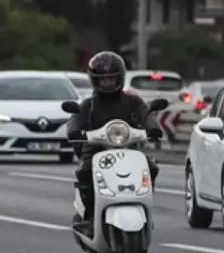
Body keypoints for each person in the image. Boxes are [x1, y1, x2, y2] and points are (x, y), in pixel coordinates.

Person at [67, 51, 161, 237]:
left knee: (151, 167)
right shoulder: (88, 104)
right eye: (103, 79)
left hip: (129, 149)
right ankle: (90, 217)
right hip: (96, 151)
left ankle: (145, 208)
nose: (107, 82)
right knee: (85, 172)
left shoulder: (133, 101)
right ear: (95, 80)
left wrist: (153, 127)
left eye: (111, 78)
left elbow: (146, 113)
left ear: (120, 77)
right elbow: (75, 118)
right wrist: (74, 131)